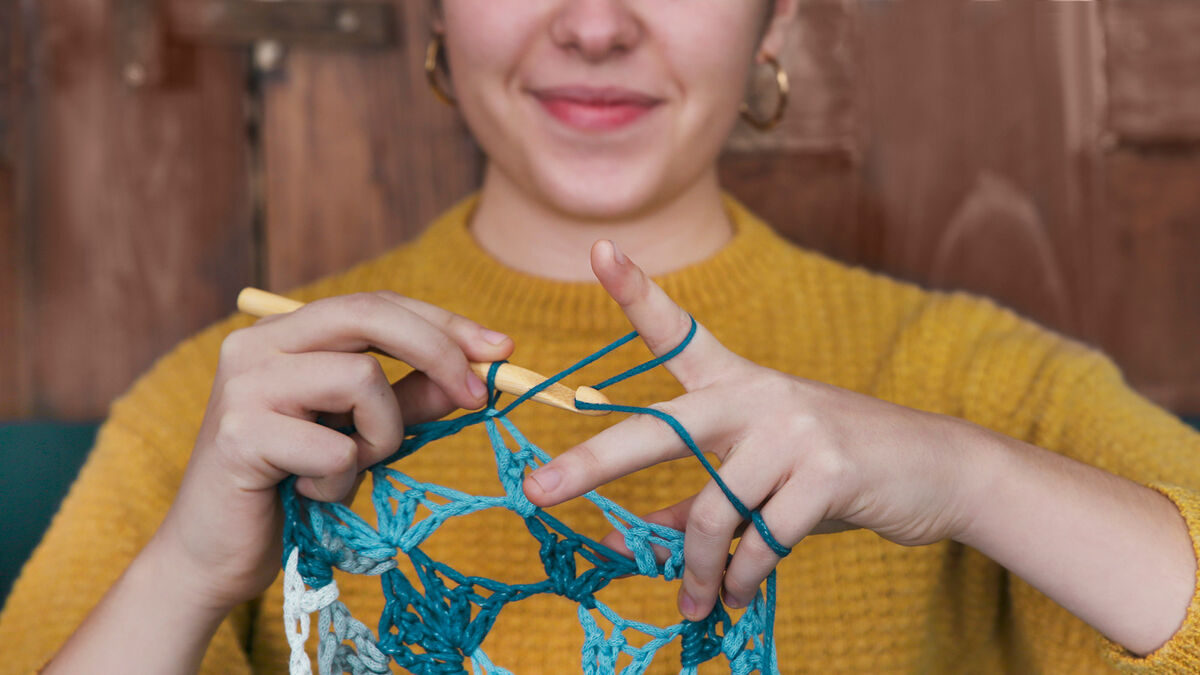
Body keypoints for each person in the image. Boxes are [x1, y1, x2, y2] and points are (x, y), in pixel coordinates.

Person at [3, 1, 1198, 672]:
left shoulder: (969, 379)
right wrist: (188, 574)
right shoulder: (236, 406)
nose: (593, 24)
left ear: (775, 21)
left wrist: (961, 475)